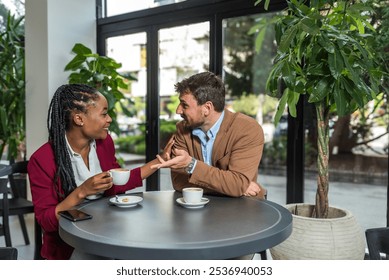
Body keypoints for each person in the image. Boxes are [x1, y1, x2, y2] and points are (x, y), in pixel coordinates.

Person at [28, 84, 172, 260]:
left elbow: (119, 182)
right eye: (104, 113)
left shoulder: (104, 143)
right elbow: (46, 220)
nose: (109, 119)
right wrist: (82, 191)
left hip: (110, 233)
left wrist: (160, 161)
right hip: (70, 247)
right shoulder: (42, 160)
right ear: (79, 119)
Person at [152, 71, 266, 199]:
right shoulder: (182, 129)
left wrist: (192, 165)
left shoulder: (247, 129)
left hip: (242, 210)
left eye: (184, 105)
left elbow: (236, 184)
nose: (178, 110)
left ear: (207, 108)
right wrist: (234, 187)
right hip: (198, 211)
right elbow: (179, 182)